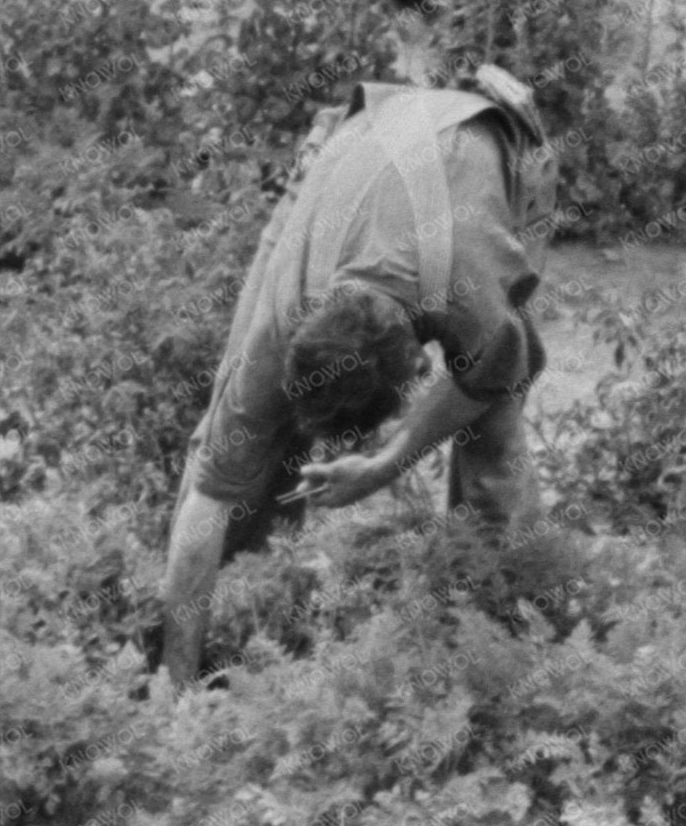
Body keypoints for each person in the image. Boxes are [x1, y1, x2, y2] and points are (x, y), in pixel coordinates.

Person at [157, 66, 557, 690]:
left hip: (497, 154)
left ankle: (500, 641)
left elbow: (493, 372)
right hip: (353, 147)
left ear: (421, 364)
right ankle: (211, 643)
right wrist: (170, 695)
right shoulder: (288, 311)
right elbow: (210, 496)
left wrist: (387, 460)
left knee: (494, 432)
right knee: (234, 447)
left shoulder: (470, 287)